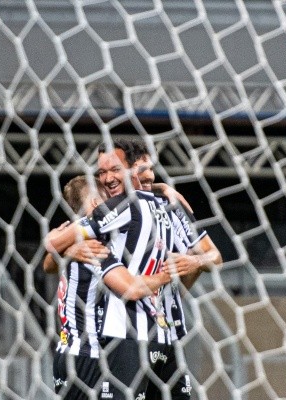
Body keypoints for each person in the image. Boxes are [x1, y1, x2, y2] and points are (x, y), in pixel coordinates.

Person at [46, 138, 222, 399]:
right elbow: (51, 257)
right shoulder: (107, 223)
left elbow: (213, 256)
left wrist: (190, 264)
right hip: (106, 342)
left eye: (149, 169)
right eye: (103, 173)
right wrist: (68, 249)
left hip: (161, 333)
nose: (147, 175)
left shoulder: (167, 207)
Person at [51, 175, 174, 400]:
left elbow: (48, 261)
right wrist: (168, 274)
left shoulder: (67, 238)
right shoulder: (96, 245)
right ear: (97, 204)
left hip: (65, 350)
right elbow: (132, 289)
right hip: (87, 355)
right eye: (110, 200)